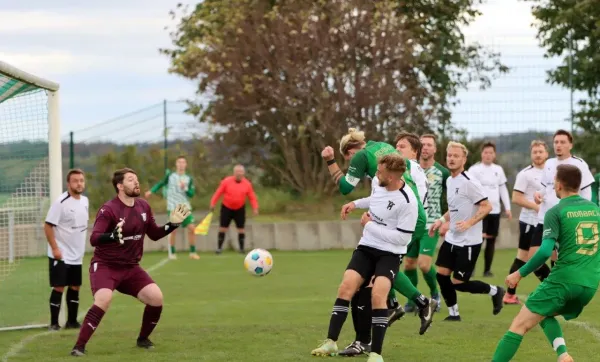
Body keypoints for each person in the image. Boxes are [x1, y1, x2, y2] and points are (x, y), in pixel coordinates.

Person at [320, 128, 436, 357]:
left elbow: (344, 187)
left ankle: (406, 308)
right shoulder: (384, 152)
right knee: (363, 282)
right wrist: (359, 204)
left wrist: (331, 162)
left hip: (404, 223)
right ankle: (396, 307)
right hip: (400, 219)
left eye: (349, 160)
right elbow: (382, 195)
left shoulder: (365, 158)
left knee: (375, 279)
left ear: (350, 152)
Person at [70, 168, 191, 356]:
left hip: (130, 268)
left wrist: (172, 224)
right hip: (106, 266)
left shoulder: (143, 206)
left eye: (136, 179)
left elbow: (155, 234)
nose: (136, 183)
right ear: (120, 186)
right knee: (104, 299)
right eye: (130, 180)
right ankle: (79, 347)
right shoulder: (108, 209)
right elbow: (94, 238)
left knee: (156, 298)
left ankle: (143, 339)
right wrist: (111, 235)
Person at [491, 164, 600, 362]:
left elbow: (543, 252)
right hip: (590, 284)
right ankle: (563, 355)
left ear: (558, 185)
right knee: (544, 313)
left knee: (519, 325)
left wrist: (518, 273)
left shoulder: (555, 212)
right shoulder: (595, 210)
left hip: (563, 281)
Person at [429, 142, 505, 321]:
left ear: (464, 159)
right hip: (452, 238)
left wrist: (470, 223)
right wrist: (440, 221)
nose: (452, 159)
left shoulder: (470, 182)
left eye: (456, 156)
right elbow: (454, 207)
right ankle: (454, 314)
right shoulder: (450, 179)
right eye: (449, 155)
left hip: (469, 242)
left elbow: (487, 206)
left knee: (459, 284)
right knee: (441, 275)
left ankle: (495, 291)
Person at [530, 129, 595, 282]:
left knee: (558, 260)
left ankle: (557, 288)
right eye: (556, 142)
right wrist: (538, 194)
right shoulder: (549, 164)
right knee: (532, 257)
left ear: (570, 145)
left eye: (562, 142)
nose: (558, 145)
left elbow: (586, 193)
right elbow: (545, 188)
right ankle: (552, 284)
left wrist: (582, 212)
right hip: (545, 217)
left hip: (566, 219)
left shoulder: (579, 164)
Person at [396, 132, 444, 314]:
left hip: (430, 224)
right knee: (408, 265)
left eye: (429, 144)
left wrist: (445, 219)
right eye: (423, 144)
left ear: (435, 148)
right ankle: (412, 299)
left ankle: (435, 295)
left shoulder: (441, 172)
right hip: (410, 225)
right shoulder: (404, 169)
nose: (426, 147)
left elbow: (451, 198)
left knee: (424, 264)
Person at [503, 140, 548, 305]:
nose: (537, 154)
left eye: (540, 151)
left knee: (527, 258)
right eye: (534, 152)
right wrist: (535, 207)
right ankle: (552, 288)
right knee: (528, 258)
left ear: (546, 153)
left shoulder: (551, 172)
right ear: (531, 155)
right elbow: (516, 198)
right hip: (530, 222)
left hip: (547, 221)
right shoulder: (525, 174)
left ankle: (509, 294)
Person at [44, 169, 89, 331]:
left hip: (77, 255)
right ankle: (54, 323)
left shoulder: (85, 201)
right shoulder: (60, 203)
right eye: (75, 180)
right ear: (68, 184)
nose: (79, 183)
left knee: (75, 286)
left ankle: (72, 322)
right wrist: (55, 248)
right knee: (59, 287)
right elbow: (48, 226)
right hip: (61, 254)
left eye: (81, 180)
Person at [468, 141, 512, 277]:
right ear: (482, 154)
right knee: (477, 239)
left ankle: (487, 270)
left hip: (495, 210)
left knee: (491, 240)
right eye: (485, 152)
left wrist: (508, 207)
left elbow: (503, 189)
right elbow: (469, 189)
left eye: (491, 153)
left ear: (494, 155)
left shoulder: (498, 170)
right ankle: (471, 268)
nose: (488, 155)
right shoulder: (474, 170)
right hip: (480, 210)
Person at [145, 155, 199, 260]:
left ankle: (192, 252)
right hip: (173, 207)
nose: (181, 164)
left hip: (185, 207)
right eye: (179, 162)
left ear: (186, 165)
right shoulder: (170, 176)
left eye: (183, 162)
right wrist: (151, 191)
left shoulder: (189, 178)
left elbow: (191, 194)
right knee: (173, 230)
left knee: (192, 228)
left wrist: (185, 188)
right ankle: (172, 252)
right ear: (176, 164)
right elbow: (161, 184)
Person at [210, 164, 259, 254]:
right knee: (223, 228)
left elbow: (252, 197)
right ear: (234, 173)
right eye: (237, 172)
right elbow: (218, 193)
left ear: (243, 173)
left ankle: (241, 249)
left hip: (239, 208)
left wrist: (255, 208)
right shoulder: (226, 181)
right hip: (226, 208)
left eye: (241, 172)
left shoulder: (247, 184)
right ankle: (219, 248)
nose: (239, 174)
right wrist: (213, 203)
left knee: (241, 229)